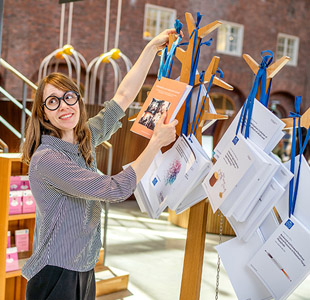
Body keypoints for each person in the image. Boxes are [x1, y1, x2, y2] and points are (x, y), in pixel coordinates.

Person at [21, 29, 178, 300]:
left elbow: (123, 98)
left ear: (79, 100)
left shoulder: (85, 138)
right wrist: (155, 143)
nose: (63, 106)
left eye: (69, 96)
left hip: (83, 266)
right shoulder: (47, 159)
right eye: (52, 101)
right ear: (43, 113)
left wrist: (151, 48)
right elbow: (114, 188)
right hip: (55, 274)